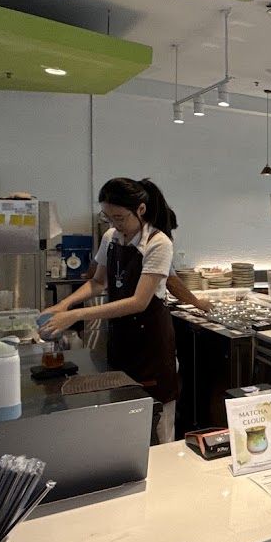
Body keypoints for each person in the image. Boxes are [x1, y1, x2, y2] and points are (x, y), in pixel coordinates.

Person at [40, 178, 181, 443]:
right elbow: (98, 281)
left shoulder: (158, 243)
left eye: (120, 217)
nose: (115, 224)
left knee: (158, 420)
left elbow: (139, 301)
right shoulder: (111, 237)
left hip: (151, 342)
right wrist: (65, 304)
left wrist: (76, 315)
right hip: (122, 338)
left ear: (140, 210)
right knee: (124, 414)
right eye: (109, 217)